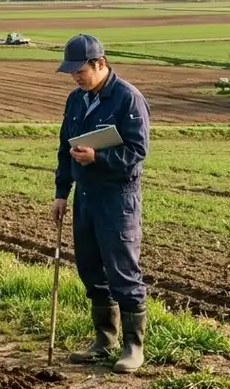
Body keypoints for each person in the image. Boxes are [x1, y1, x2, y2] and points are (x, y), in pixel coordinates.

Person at [52, 33, 151, 373]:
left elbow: (137, 152)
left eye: (81, 70)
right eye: (72, 72)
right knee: (91, 270)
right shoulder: (75, 100)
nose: (76, 77)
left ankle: (133, 347)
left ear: (100, 64)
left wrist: (98, 157)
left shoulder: (127, 99)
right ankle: (103, 341)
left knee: (123, 273)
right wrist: (61, 193)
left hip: (117, 199)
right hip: (85, 198)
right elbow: (64, 148)